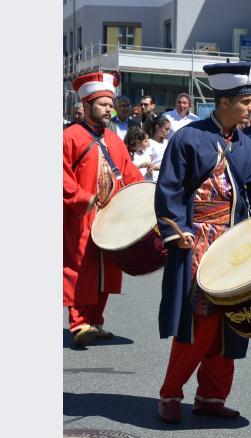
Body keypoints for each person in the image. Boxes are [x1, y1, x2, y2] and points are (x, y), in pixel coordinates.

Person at [154, 61, 251, 424]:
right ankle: (170, 392)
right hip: (196, 242)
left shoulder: (248, 148)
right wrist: (176, 230)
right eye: (246, 102)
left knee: (232, 323)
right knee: (200, 323)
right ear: (224, 102)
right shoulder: (187, 139)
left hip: (236, 245)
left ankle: (212, 395)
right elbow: (169, 191)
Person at [63, 72, 143, 347]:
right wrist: (83, 198)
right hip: (82, 215)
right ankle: (79, 322)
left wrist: (142, 197)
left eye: (111, 104)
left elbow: (131, 175)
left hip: (111, 216)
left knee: (107, 268)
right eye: (103, 104)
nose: (109, 109)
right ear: (87, 106)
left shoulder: (114, 140)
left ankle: (96, 320)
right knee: (80, 267)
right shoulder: (69, 137)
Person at [146, 115, 171, 181]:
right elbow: (148, 164)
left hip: (167, 178)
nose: (168, 132)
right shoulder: (149, 143)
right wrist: (156, 168)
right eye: (166, 129)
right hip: (154, 179)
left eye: (169, 129)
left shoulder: (167, 142)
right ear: (157, 127)